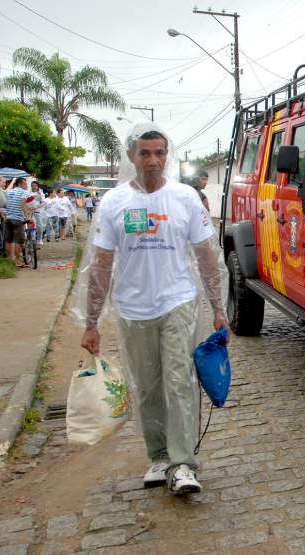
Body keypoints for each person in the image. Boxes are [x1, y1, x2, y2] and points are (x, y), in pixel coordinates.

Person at [80, 123, 228, 496]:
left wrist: (218, 306)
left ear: (167, 155)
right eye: (144, 153)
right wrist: (91, 322)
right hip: (132, 309)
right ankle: (159, 456)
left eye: (159, 153)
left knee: (179, 384)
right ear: (131, 157)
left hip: (177, 303)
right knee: (146, 388)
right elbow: (100, 265)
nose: (153, 160)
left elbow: (207, 257)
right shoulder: (114, 202)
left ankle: (183, 464)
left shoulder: (185, 198)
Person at [3, 178, 31, 267]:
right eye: (26, 184)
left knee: (9, 239)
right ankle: (18, 261)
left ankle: (10, 259)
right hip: (18, 219)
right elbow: (23, 204)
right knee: (19, 240)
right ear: (22, 183)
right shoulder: (24, 192)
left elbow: (5, 203)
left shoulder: (9, 192)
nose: (27, 186)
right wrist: (28, 217)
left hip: (8, 218)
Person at [28, 181, 47, 247]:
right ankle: (33, 238)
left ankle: (40, 239)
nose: (34, 187)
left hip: (38, 211)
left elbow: (44, 202)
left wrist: (37, 207)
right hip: (30, 212)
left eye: (35, 186)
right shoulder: (28, 193)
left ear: (38, 186)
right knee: (31, 225)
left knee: (40, 226)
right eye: (32, 185)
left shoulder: (40, 193)